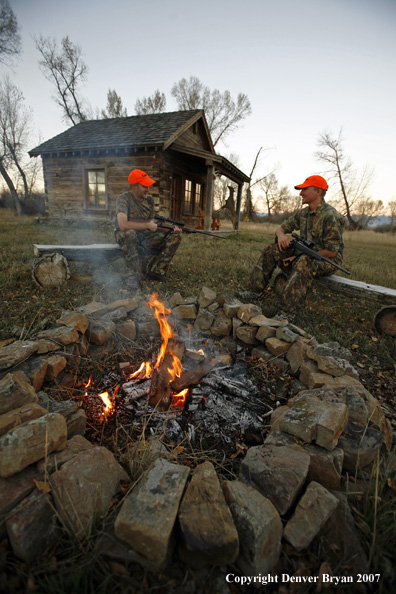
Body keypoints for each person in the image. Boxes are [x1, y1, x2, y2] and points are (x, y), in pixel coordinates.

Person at [249, 175, 345, 316]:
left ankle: (287, 313)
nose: (300, 193)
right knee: (272, 249)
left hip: (328, 260)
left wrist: (296, 258)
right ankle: (253, 292)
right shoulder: (303, 213)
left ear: (318, 191)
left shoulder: (331, 216)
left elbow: (331, 252)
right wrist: (281, 236)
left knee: (304, 262)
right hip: (304, 255)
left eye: (304, 189)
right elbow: (280, 228)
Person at [115, 169, 182, 290]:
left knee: (175, 238)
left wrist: (170, 230)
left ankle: (155, 271)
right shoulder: (123, 199)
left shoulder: (150, 201)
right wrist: (147, 226)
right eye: (144, 186)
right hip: (125, 234)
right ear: (134, 186)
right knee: (130, 234)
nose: (148, 189)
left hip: (144, 235)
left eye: (148, 186)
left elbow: (152, 225)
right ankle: (133, 275)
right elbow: (123, 224)